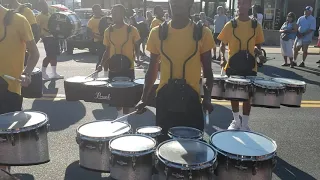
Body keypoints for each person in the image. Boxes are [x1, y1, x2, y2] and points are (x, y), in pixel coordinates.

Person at [136, 0, 215, 143]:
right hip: (165, 102)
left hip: (191, 102)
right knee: (164, 150)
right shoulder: (157, 32)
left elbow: (208, 72)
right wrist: (144, 97)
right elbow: (152, 69)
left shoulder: (202, 33)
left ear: (189, 4)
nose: (177, 4)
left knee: (193, 154)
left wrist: (207, 98)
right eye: (173, 1)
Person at [0, 3, 39, 174]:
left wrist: (27, 73)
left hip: (9, 89)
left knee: (4, 139)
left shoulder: (18, 20)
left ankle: (5, 172)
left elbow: (34, 53)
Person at [218, 0, 265, 131]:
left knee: (247, 97)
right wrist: (222, 58)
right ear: (237, 5)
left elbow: (258, 45)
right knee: (234, 95)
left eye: (245, 3)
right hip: (233, 65)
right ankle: (235, 121)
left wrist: (260, 54)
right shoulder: (230, 25)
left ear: (250, 5)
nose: (242, 6)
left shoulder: (255, 25)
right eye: (240, 3)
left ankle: (245, 124)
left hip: (250, 66)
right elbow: (222, 45)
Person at [97, 4, 140, 118]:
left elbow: (137, 45)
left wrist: (138, 58)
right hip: (114, 67)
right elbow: (107, 50)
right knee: (116, 95)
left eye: (117, 12)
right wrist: (101, 64)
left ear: (123, 14)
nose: (115, 15)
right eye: (113, 12)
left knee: (126, 95)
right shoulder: (108, 31)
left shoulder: (132, 29)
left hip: (128, 67)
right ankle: (119, 115)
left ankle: (125, 117)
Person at [36, 0, 63, 80]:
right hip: (47, 38)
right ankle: (43, 73)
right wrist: (41, 35)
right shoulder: (39, 16)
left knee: (54, 55)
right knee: (49, 55)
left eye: (46, 5)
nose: (45, 7)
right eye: (43, 5)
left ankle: (54, 73)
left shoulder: (50, 15)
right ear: (40, 7)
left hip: (54, 36)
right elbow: (37, 28)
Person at [87, 4, 107, 76]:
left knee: (107, 58)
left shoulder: (104, 18)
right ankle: (95, 75)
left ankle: (106, 74)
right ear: (93, 11)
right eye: (96, 9)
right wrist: (99, 37)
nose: (98, 10)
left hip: (107, 40)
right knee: (101, 58)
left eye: (99, 9)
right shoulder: (91, 21)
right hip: (98, 41)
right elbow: (89, 33)